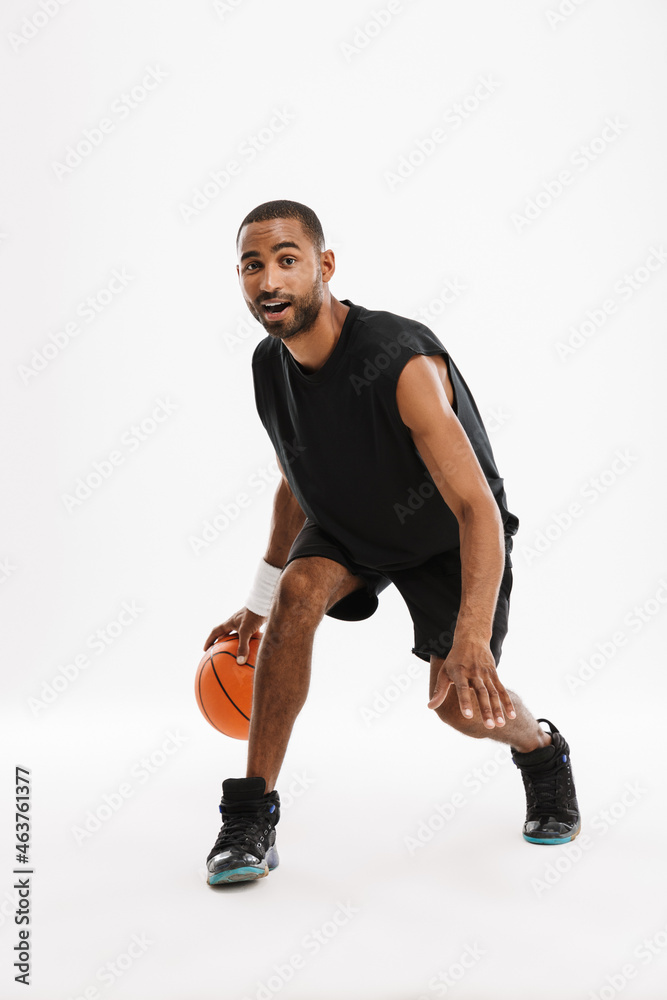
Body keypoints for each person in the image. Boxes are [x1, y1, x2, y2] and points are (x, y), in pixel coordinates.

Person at [203, 199, 580, 885]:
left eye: (286, 260)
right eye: (252, 266)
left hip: (446, 536)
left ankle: (541, 750)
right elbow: (295, 484)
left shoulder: (398, 360)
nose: (268, 281)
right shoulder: (268, 366)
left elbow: (476, 510)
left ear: (324, 266)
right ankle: (251, 815)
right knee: (296, 596)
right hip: (349, 526)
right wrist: (256, 605)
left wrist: (468, 637)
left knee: (461, 711)